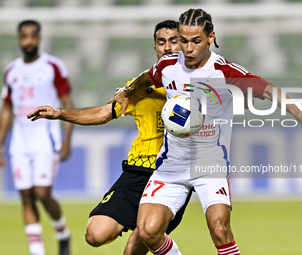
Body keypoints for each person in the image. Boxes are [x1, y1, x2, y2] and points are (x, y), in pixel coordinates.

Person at [108, 8, 302, 255]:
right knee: (148, 230)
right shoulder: (168, 65)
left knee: (219, 229)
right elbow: (146, 77)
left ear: (211, 37)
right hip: (172, 163)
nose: (188, 48)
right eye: (183, 40)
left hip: (209, 162)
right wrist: (128, 91)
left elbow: (268, 89)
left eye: (196, 41)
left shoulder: (224, 72)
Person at [27, 20, 192, 255]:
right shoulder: (138, 87)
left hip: (171, 175)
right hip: (137, 171)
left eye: (173, 41)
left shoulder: (197, 84)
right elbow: (104, 113)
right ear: (155, 48)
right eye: (161, 42)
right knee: (95, 234)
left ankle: (149, 226)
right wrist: (59, 113)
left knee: (136, 245)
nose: (167, 47)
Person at [0, 20, 73, 255]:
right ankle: (37, 252)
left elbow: (67, 104)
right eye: (24, 36)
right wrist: (1, 143)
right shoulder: (12, 70)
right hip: (19, 142)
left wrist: (67, 139)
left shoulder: (52, 66)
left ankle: (62, 233)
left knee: (42, 192)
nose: (28, 41)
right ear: (19, 39)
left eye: (33, 36)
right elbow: (6, 108)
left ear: (39, 38)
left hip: (45, 138)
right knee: (26, 196)